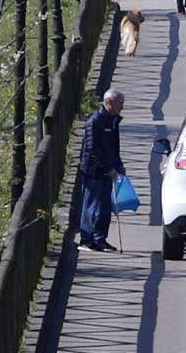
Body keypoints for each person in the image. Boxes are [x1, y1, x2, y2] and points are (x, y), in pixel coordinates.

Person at [78, 89, 126, 252]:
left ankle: (100, 238)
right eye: (120, 104)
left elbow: (114, 147)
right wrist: (107, 167)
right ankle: (87, 238)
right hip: (93, 171)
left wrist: (118, 165)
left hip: (108, 171)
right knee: (92, 205)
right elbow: (92, 149)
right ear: (110, 103)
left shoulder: (113, 121)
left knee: (105, 207)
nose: (122, 107)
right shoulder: (95, 121)